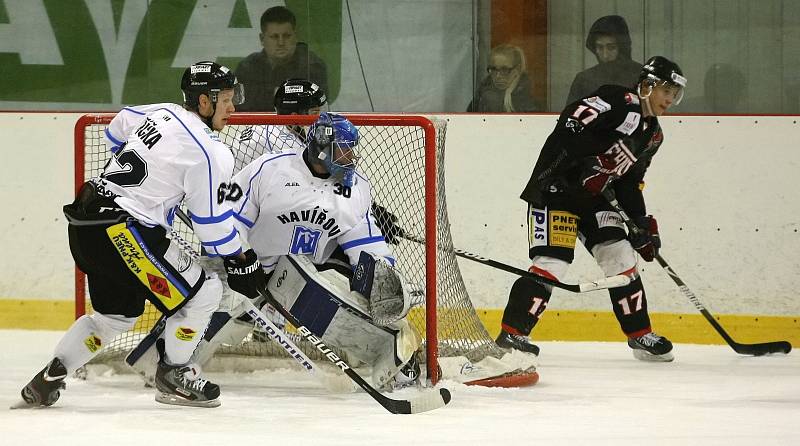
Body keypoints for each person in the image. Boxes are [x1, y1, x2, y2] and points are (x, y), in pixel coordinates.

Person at [17, 61, 267, 409]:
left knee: (115, 317)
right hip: (124, 233)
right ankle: (174, 375)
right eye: (225, 99)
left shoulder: (160, 112)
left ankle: (50, 377)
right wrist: (243, 261)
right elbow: (211, 227)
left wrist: (154, 182)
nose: (233, 107)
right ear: (204, 103)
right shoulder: (211, 152)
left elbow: (116, 128)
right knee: (204, 291)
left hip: (87, 225)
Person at [195, 112, 421, 391]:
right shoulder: (270, 169)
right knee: (220, 308)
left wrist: (382, 272)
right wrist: (239, 260)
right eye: (343, 149)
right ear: (322, 148)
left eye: (352, 149)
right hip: (249, 263)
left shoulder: (356, 188)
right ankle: (176, 360)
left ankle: (394, 363)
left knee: (346, 298)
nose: (350, 156)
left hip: (302, 273)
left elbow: (364, 240)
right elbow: (231, 218)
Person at [496, 56, 687, 362]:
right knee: (552, 263)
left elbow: (628, 182)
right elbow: (571, 122)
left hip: (594, 199)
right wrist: (579, 159)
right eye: (666, 91)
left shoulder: (652, 136)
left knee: (622, 255)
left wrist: (640, 224)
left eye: (674, 94)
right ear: (648, 85)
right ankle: (512, 335)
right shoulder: (620, 99)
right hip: (556, 190)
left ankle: (640, 336)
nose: (670, 99)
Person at [235, 6, 328, 112]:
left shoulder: (312, 66)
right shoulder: (247, 68)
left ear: (296, 36)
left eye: (286, 36)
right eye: (274, 37)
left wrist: (272, 95)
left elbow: (318, 106)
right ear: (262, 39)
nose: (281, 43)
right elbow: (240, 106)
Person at [236, 78, 327, 169]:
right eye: (315, 113)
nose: (320, 118)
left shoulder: (295, 130)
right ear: (294, 117)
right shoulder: (274, 140)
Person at [566, 15, 642, 106]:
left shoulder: (640, 76)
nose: (605, 55)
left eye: (611, 48)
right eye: (600, 47)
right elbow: (570, 116)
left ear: (622, 48)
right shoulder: (584, 80)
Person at [467, 44, 541, 112]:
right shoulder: (481, 96)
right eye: (493, 69)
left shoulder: (527, 101)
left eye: (504, 70)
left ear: (517, 69)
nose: (498, 76)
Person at [677, 63, 746, 113]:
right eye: (714, 85)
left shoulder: (747, 111)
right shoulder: (685, 110)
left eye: (725, 86)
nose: (719, 92)